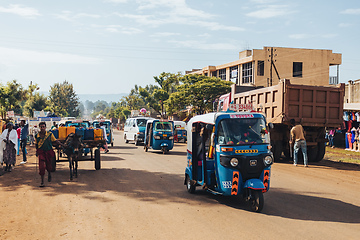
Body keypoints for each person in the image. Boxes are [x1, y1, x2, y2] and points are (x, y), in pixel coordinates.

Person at [35, 121, 63, 187]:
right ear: (39, 128)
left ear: (45, 127)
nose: (42, 128)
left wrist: (62, 145)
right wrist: (37, 151)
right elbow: (36, 144)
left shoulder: (50, 134)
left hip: (48, 152)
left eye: (43, 127)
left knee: (49, 165)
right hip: (41, 152)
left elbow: (55, 141)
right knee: (41, 167)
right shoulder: (37, 136)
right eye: (41, 127)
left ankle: (49, 174)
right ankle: (42, 182)